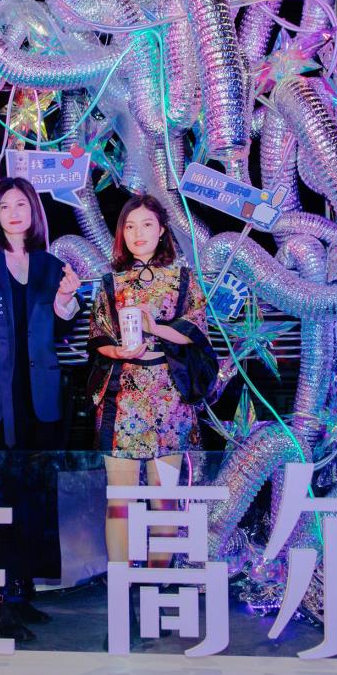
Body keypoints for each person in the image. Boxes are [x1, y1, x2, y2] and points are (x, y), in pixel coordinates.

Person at [0, 177, 82, 641]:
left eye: (21, 204)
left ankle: (23, 592)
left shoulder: (51, 265)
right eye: (4, 205)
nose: (13, 212)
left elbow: (63, 328)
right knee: (1, 497)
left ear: (34, 212)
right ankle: (0, 602)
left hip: (41, 396)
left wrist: (66, 301)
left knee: (37, 494)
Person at [88, 194, 206, 570]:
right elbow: (98, 337)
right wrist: (118, 351)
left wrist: (155, 327)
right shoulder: (110, 282)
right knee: (119, 500)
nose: (138, 233)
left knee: (165, 500)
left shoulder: (183, 279)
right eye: (130, 226)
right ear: (122, 233)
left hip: (170, 396)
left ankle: (157, 581)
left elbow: (195, 331)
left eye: (147, 225)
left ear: (162, 230)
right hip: (122, 399)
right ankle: (120, 584)